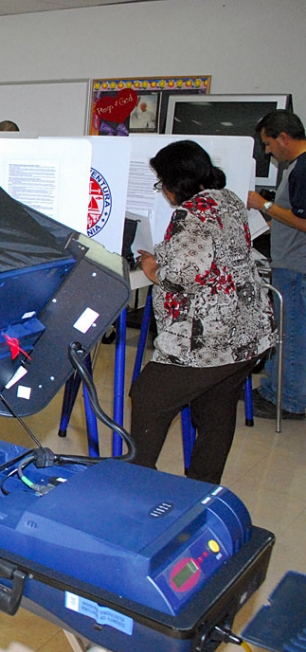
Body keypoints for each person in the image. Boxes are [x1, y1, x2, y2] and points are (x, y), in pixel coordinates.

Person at [132, 140, 275, 484]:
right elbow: (215, 252)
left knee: (149, 396)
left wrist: (151, 267)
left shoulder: (191, 214)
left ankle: (135, 485)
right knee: (215, 409)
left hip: (209, 337)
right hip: (249, 332)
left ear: (174, 181)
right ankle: (201, 487)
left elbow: (183, 277)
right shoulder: (227, 199)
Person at [247, 110, 306, 420]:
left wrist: (263, 204)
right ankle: (286, 392)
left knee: (291, 333)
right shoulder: (298, 168)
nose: (268, 151)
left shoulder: (303, 169)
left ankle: (289, 400)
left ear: (284, 137)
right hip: (294, 264)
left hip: (296, 268)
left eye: (269, 144)